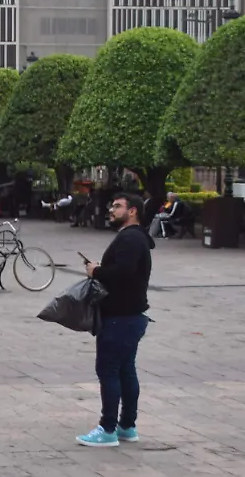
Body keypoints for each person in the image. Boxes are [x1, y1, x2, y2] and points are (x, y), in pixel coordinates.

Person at [77, 192, 154, 448]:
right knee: (125, 370)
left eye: (117, 206)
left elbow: (122, 272)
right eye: (112, 204)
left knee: (109, 370)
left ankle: (108, 428)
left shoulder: (131, 238)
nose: (111, 209)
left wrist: (96, 270)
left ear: (132, 211)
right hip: (129, 316)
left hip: (120, 317)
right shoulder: (134, 237)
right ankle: (127, 426)